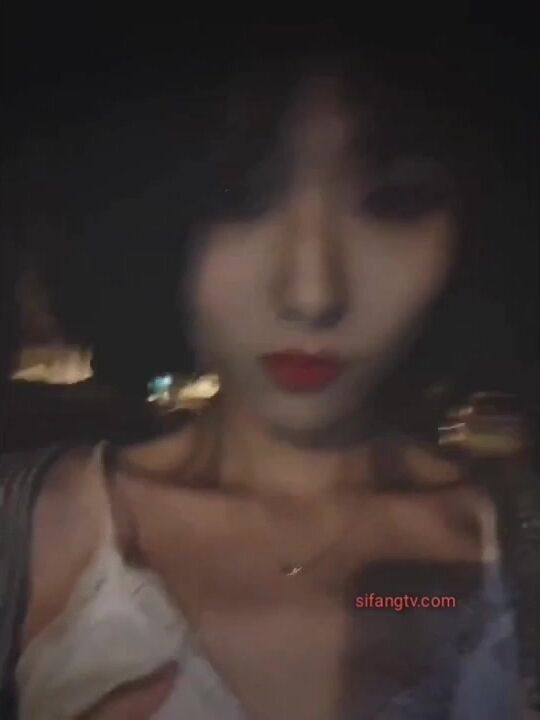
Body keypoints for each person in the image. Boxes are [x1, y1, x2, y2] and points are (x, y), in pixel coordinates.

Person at [0, 36, 535, 719]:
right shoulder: (27, 531)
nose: (313, 294)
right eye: (240, 197)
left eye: (395, 200)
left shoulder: (506, 552)